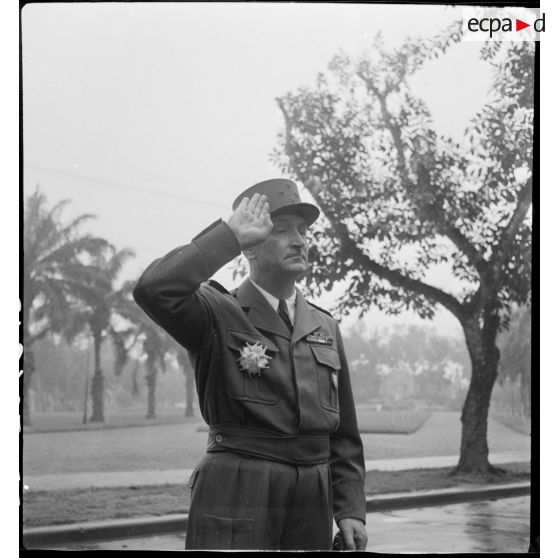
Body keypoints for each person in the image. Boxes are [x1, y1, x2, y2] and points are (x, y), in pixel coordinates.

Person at [133, 178, 368, 551]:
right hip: (239, 486)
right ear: (251, 248)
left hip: (312, 496)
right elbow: (153, 289)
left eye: (303, 231)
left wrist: (351, 508)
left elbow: (344, 436)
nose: (299, 240)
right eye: (281, 230)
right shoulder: (216, 312)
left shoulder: (325, 326)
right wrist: (228, 235)